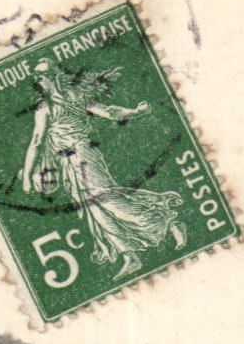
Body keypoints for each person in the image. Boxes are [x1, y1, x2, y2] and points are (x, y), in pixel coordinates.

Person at [18, 59, 184, 278]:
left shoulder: (74, 97)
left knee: (108, 201)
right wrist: (27, 175)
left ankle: (168, 221)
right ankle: (129, 256)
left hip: (84, 156)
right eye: (36, 77)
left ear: (54, 76)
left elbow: (109, 112)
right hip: (68, 165)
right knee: (95, 210)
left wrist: (135, 112)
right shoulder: (44, 107)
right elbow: (36, 141)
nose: (37, 81)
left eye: (40, 76)